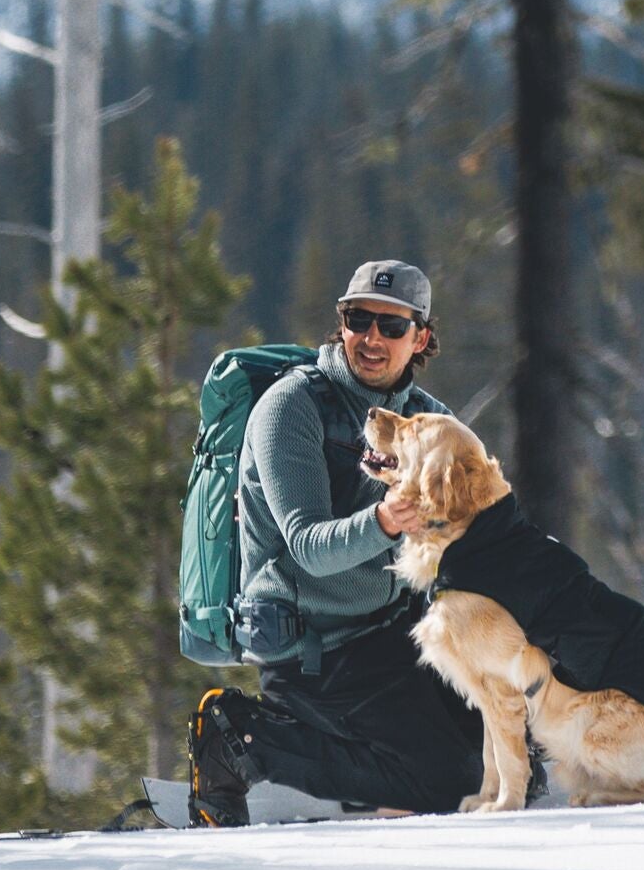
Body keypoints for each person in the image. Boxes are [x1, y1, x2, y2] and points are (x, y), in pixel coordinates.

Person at [187, 260, 483, 825]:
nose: (372, 338)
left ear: (420, 337)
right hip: (310, 649)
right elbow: (307, 546)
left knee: (504, 738)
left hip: (388, 635)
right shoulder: (292, 407)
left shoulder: (430, 419)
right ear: (341, 323)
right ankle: (243, 739)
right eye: (358, 319)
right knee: (453, 782)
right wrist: (386, 520)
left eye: (392, 327)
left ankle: (366, 768)